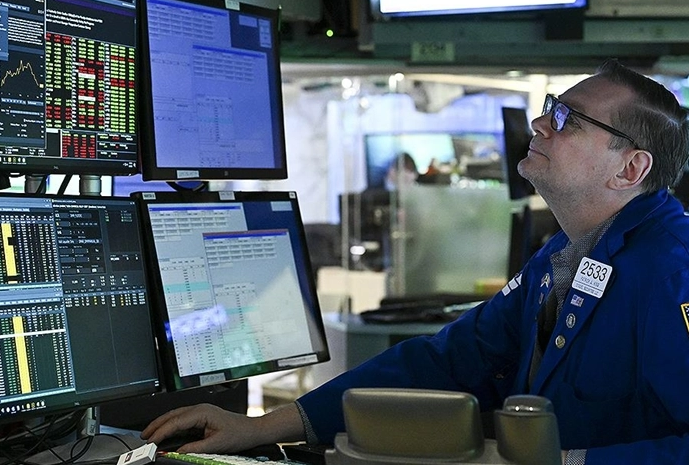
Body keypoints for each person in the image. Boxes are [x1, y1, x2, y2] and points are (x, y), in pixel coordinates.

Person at [141, 59, 689, 464]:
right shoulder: (563, 255)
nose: (541, 124)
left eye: (568, 118)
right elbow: (448, 361)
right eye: (550, 108)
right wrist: (263, 427)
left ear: (630, 169)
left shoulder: (675, 271)